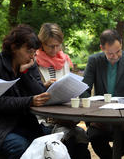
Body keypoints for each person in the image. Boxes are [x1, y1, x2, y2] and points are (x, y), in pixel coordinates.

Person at [81, 29, 124, 158]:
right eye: (110, 53)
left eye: (118, 51)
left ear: (121, 44)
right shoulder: (94, 60)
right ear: (102, 48)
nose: (115, 56)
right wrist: (92, 116)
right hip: (100, 117)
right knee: (94, 137)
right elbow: (84, 90)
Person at [0, 24, 51, 159]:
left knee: (51, 143)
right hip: (0, 126)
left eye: (34, 52)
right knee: (21, 146)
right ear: (14, 47)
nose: (32, 56)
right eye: (29, 51)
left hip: (26, 123)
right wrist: (29, 101)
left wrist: (24, 73)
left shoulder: (30, 64)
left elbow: (39, 92)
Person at [36, 23, 90, 159]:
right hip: (43, 118)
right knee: (69, 142)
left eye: (58, 45)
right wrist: (44, 86)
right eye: (51, 46)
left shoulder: (64, 60)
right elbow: (32, 91)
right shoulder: (33, 61)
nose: (55, 49)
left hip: (64, 115)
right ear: (42, 43)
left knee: (82, 144)